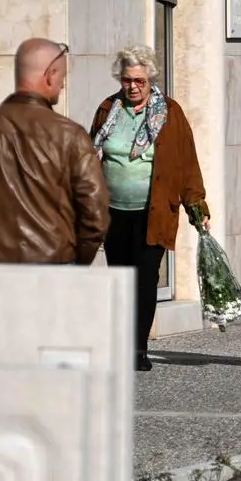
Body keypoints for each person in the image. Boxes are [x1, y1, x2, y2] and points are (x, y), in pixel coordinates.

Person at [90, 45, 210, 372]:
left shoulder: (170, 113)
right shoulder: (107, 109)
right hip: (113, 211)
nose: (133, 87)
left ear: (150, 79)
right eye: (127, 80)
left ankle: (138, 349)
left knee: (144, 279)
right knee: (119, 278)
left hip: (154, 211)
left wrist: (197, 207)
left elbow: (186, 164)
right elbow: (90, 157)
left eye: (139, 81)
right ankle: (119, 343)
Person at [0, 38, 110, 265]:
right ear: (50, 75)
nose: (62, 84)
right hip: (51, 269)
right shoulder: (70, 135)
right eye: (62, 77)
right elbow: (95, 216)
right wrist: (74, 264)